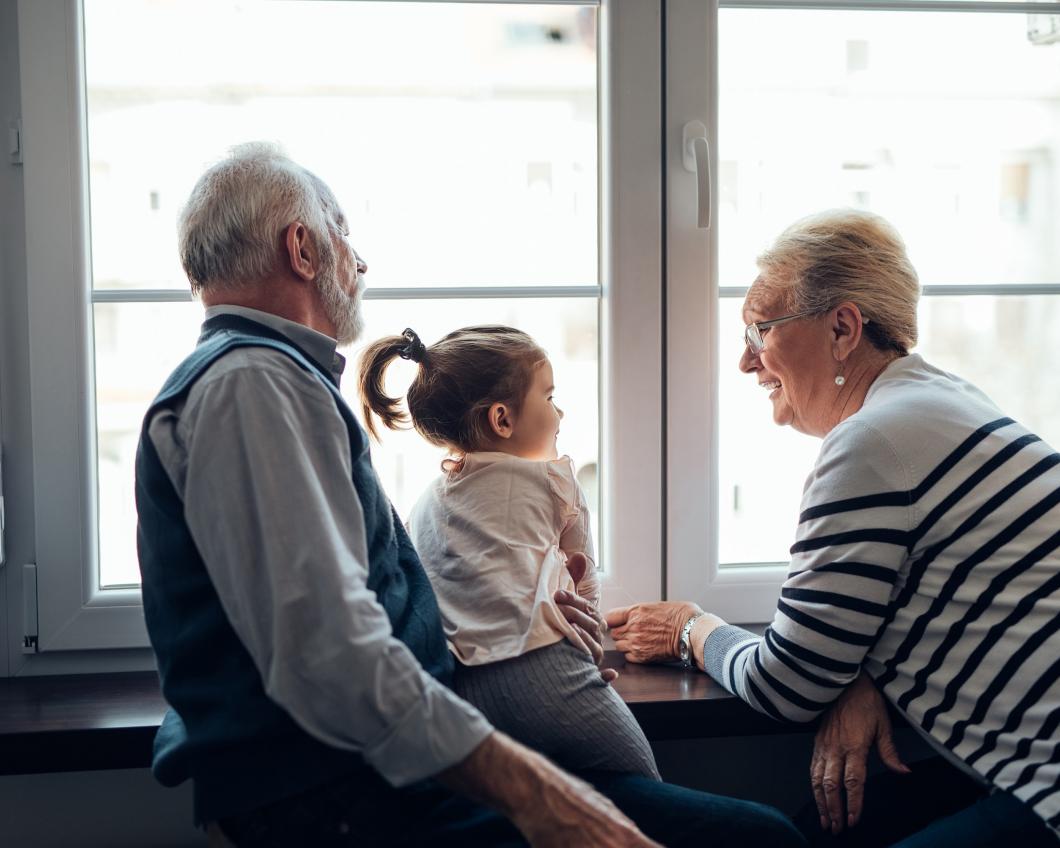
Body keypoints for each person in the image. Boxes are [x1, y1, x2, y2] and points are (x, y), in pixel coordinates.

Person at [134, 142, 807, 847]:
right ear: (301, 249)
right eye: (342, 233)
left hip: (381, 782)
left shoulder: (265, 382)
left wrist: (531, 609)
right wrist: (541, 797)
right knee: (759, 841)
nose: (359, 261)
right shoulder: (253, 386)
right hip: (353, 801)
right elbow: (331, 656)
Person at [606, 209, 1060, 847]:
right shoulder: (944, 399)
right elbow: (933, 598)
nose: (745, 360)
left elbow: (788, 683)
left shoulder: (871, 440)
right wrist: (862, 674)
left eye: (759, 330)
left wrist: (688, 628)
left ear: (843, 328)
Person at [358, 325, 659, 780]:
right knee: (641, 784)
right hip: (545, 670)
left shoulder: (422, 507)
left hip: (461, 688)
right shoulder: (555, 481)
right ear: (502, 419)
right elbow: (586, 589)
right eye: (549, 397)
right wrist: (589, 657)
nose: (560, 411)